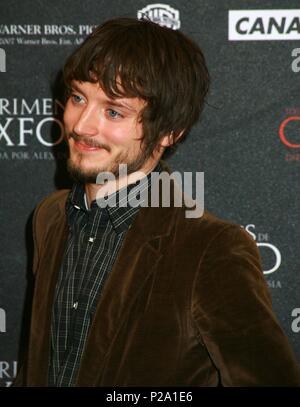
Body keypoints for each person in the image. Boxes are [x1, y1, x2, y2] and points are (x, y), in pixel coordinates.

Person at [15, 17, 300, 387]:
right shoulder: (50, 217)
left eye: (113, 111)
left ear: (169, 131)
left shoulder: (212, 249)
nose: (82, 125)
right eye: (77, 97)